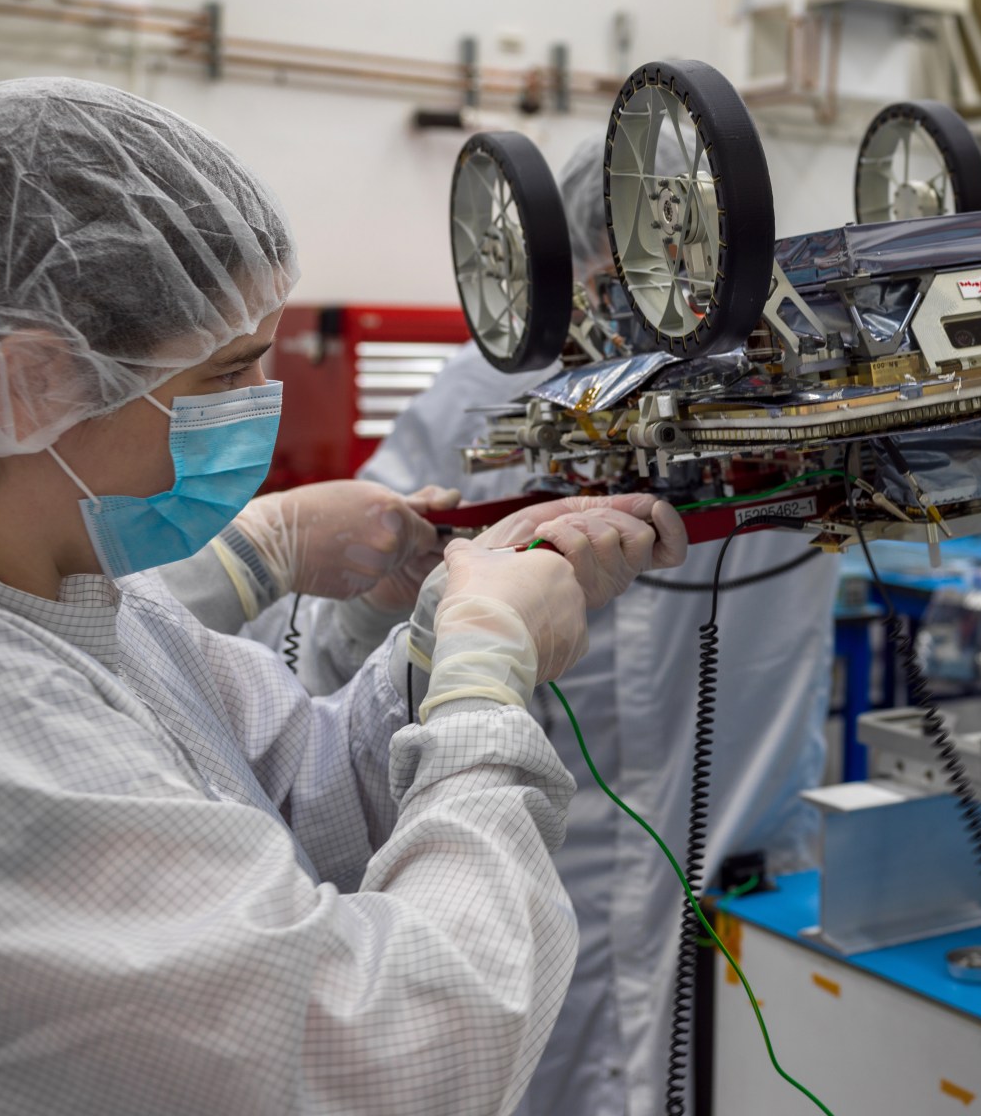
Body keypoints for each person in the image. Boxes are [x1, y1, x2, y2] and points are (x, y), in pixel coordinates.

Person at [0, 78, 687, 1116]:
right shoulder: (0, 737)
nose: (258, 411)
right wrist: (486, 692)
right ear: (31, 385)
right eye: (225, 375)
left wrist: (435, 648)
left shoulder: (83, 596)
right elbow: (396, 1052)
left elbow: (296, 787)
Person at [303, 133, 841, 1116]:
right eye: (612, 278)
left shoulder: (797, 386)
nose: (632, 315)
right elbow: (348, 625)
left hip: (739, 872)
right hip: (529, 877)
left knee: (748, 1074)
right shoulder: (484, 386)